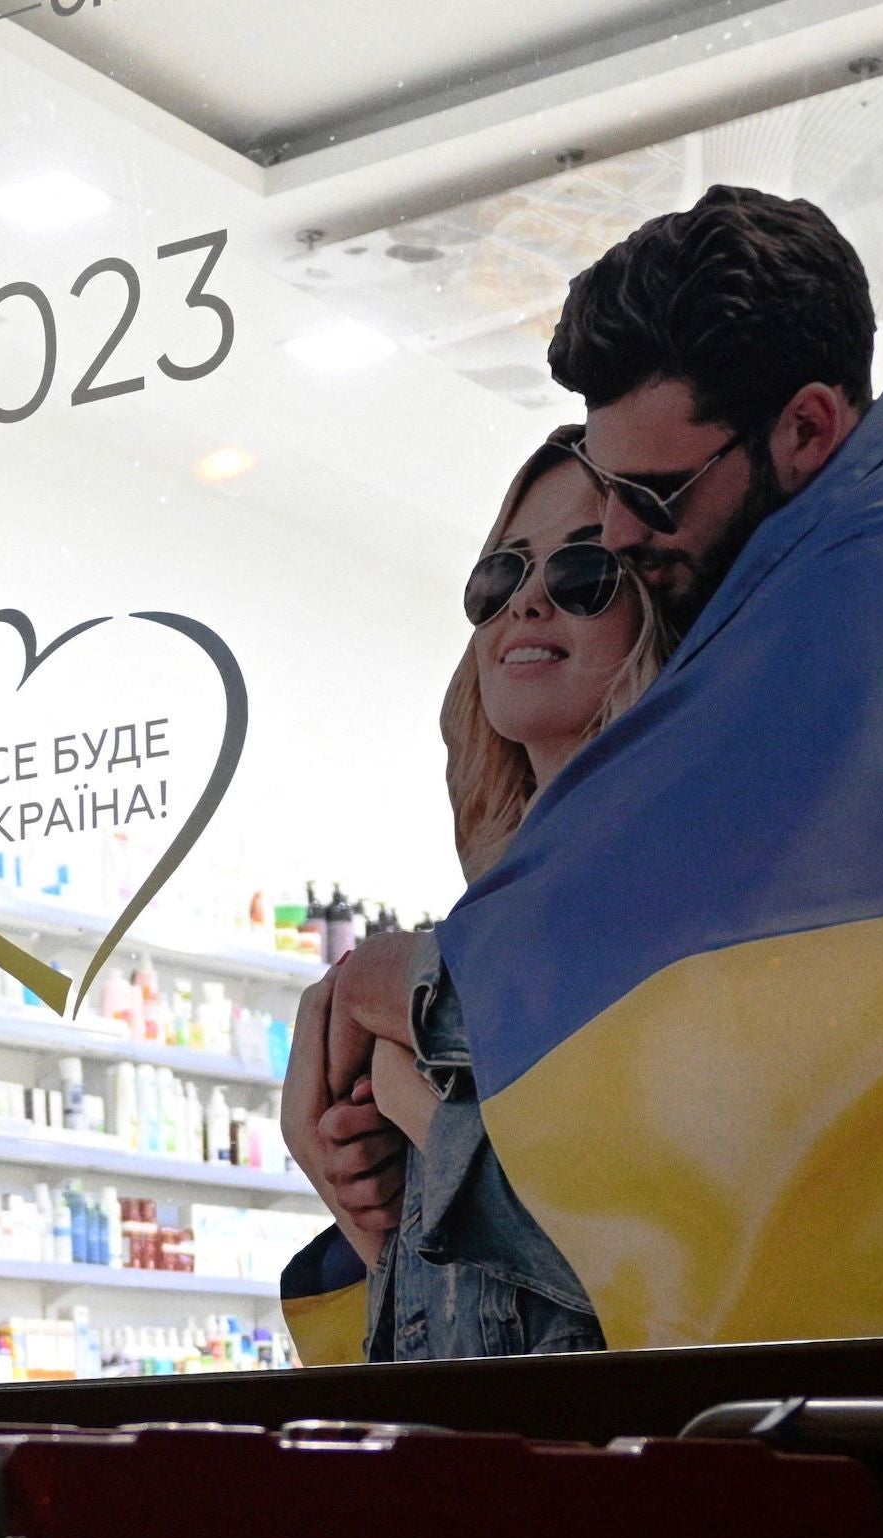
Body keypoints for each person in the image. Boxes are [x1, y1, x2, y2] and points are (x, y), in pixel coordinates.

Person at [288, 185, 883, 1358]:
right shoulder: (825, 584)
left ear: (805, 429)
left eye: (648, 497)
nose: (614, 537)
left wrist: (413, 1007)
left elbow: (766, 1117)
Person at [280, 429, 664, 1364]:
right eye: (503, 574)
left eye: (583, 570)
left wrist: (421, 1100)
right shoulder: (466, 949)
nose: (527, 599)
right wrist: (359, 1183)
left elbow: (672, 1281)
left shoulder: (692, 906)